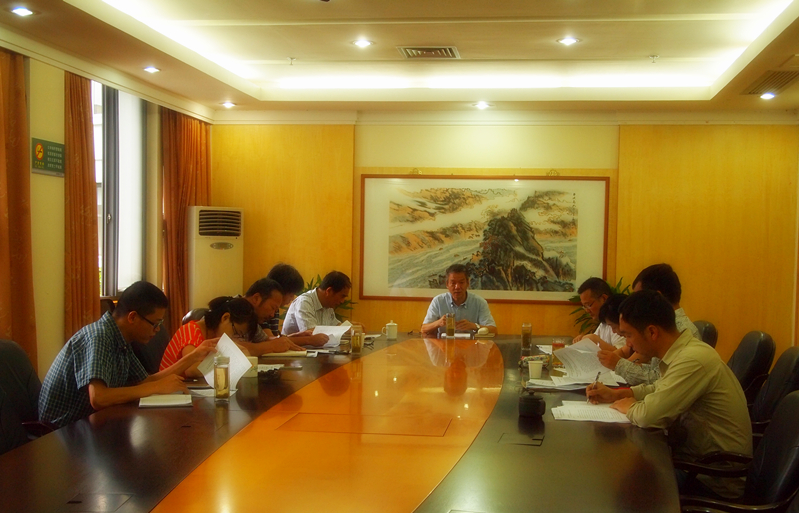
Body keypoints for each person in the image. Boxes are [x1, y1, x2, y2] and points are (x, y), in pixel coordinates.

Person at [586, 290, 752, 497]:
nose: (628, 344)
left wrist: (631, 406)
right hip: (694, 462)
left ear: (652, 332)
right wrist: (617, 394)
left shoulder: (692, 359)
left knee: (615, 486)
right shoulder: (683, 352)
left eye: (628, 335)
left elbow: (648, 416)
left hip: (712, 478)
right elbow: (659, 388)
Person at [38, 281, 217, 428]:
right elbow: (99, 398)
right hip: (62, 432)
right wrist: (156, 387)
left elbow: (145, 381)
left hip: (93, 423)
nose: (157, 330)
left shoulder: (122, 338)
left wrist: (194, 356)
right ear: (132, 317)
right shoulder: (99, 336)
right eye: (155, 324)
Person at [160, 296, 257, 376]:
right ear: (225, 318)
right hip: (167, 389)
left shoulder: (213, 334)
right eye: (236, 332)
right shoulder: (191, 330)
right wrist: (234, 363)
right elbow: (191, 370)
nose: (234, 337)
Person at [241, 277, 328, 352]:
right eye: (272, 308)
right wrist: (271, 346)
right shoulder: (235, 309)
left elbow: (267, 340)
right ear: (256, 299)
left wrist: (288, 337)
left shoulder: (252, 318)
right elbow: (235, 348)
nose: (272, 315)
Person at [593, 293, 659, 385]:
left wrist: (617, 364)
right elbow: (623, 352)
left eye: (613, 327)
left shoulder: (646, 342)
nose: (628, 343)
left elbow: (629, 364)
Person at [282, 271, 363, 339]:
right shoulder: (304, 302)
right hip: (294, 351)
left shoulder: (328, 304)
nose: (342, 301)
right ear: (329, 291)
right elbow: (311, 333)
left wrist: (350, 326)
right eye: (342, 296)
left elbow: (335, 325)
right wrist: (345, 329)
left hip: (314, 350)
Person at [421, 264, 497, 335]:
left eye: (461, 282)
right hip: (444, 343)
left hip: (472, 344)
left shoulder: (479, 302)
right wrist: (438, 323)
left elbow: (493, 330)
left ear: (468, 283)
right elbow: (423, 329)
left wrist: (474, 326)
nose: (457, 287)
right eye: (453, 283)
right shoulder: (438, 301)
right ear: (447, 284)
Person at [633, 263, 700, 340]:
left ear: (657, 298)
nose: (636, 304)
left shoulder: (677, 333)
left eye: (639, 298)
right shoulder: (666, 327)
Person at [574, 277, 625, 348]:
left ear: (603, 298)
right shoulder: (603, 323)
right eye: (584, 306)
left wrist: (594, 340)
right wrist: (583, 340)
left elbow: (622, 353)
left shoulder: (618, 319)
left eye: (589, 305)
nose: (587, 310)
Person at [264, 263, 305, 336]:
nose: (292, 298)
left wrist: (295, 336)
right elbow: (270, 340)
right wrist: (307, 340)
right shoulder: (264, 308)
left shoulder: (275, 310)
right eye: (291, 294)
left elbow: (275, 338)